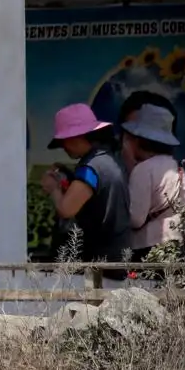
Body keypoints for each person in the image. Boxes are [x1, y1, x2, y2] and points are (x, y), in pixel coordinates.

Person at [42, 104, 132, 265]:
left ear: (76, 137)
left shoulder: (90, 168)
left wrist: (53, 189)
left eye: (64, 142)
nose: (63, 147)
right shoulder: (108, 159)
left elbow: (66, 209)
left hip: (100, 260)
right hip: (116, 254)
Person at [119, 104, 185, 260]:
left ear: (140, 140)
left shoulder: (144, 170)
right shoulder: (178, 168)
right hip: (184, 245)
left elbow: (136, 219)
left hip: (152, 246)